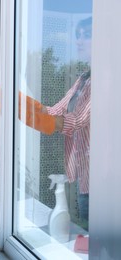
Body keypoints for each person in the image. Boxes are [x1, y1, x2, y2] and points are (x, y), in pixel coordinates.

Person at [19, 16, 92, 230]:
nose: (78, 41)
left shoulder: (104, 79)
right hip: (82, 173)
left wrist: (44, 123)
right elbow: (54, 110)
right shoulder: (83, 79)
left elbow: (77, 120)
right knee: (87, 229)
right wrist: (20, 101)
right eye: (77, 35)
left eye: (86, 36)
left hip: (100, 177)